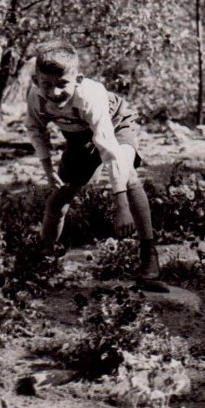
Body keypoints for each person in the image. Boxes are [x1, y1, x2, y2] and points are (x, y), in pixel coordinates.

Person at [24, 40, 160, 281]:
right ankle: (43, 258)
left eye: (62, 84)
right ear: (36, 82)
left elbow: (108, 147)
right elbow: (35, 129)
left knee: (128, 176)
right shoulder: (36, 97)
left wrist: (121, 206)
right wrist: (47, 169)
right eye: (47, 85)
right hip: (79, 138)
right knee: (58, 201)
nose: (55, 93)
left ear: (78, 80)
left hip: (115, 126)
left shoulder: (90, 97)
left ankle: (148, 253)